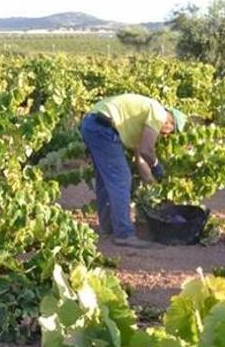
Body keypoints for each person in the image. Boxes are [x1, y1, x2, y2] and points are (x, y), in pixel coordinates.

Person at [80, 93, 187, 248]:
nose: (166, 135)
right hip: (102, 128)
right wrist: (157, 165)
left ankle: (108, 228)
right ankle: (124, 234)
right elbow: (147, 150)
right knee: (122, 179)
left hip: (93, 124)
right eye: (171, 132)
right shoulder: (158, 113)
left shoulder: (142, 123)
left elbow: (140, 158)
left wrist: (151, 182)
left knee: (106, 180)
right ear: (170, 122)